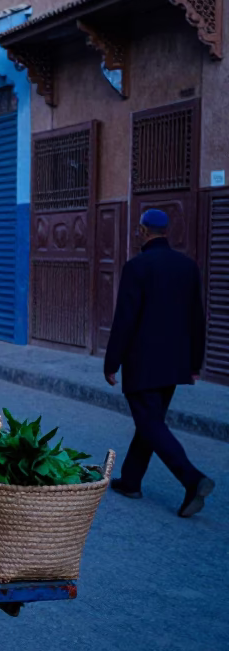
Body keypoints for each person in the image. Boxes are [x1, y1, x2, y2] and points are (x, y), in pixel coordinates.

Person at [104, 208, 214, 518]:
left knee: (149, 422)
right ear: (167, 231)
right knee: (150, 422)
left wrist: (111, 362)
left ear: (142, 230)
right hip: (175, 363)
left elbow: (125, 319)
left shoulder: (137, 267)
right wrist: (195, 362)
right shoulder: (187, 266)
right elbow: (197, 318)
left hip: (143, 362)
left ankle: (192, 479)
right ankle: (131, 481)